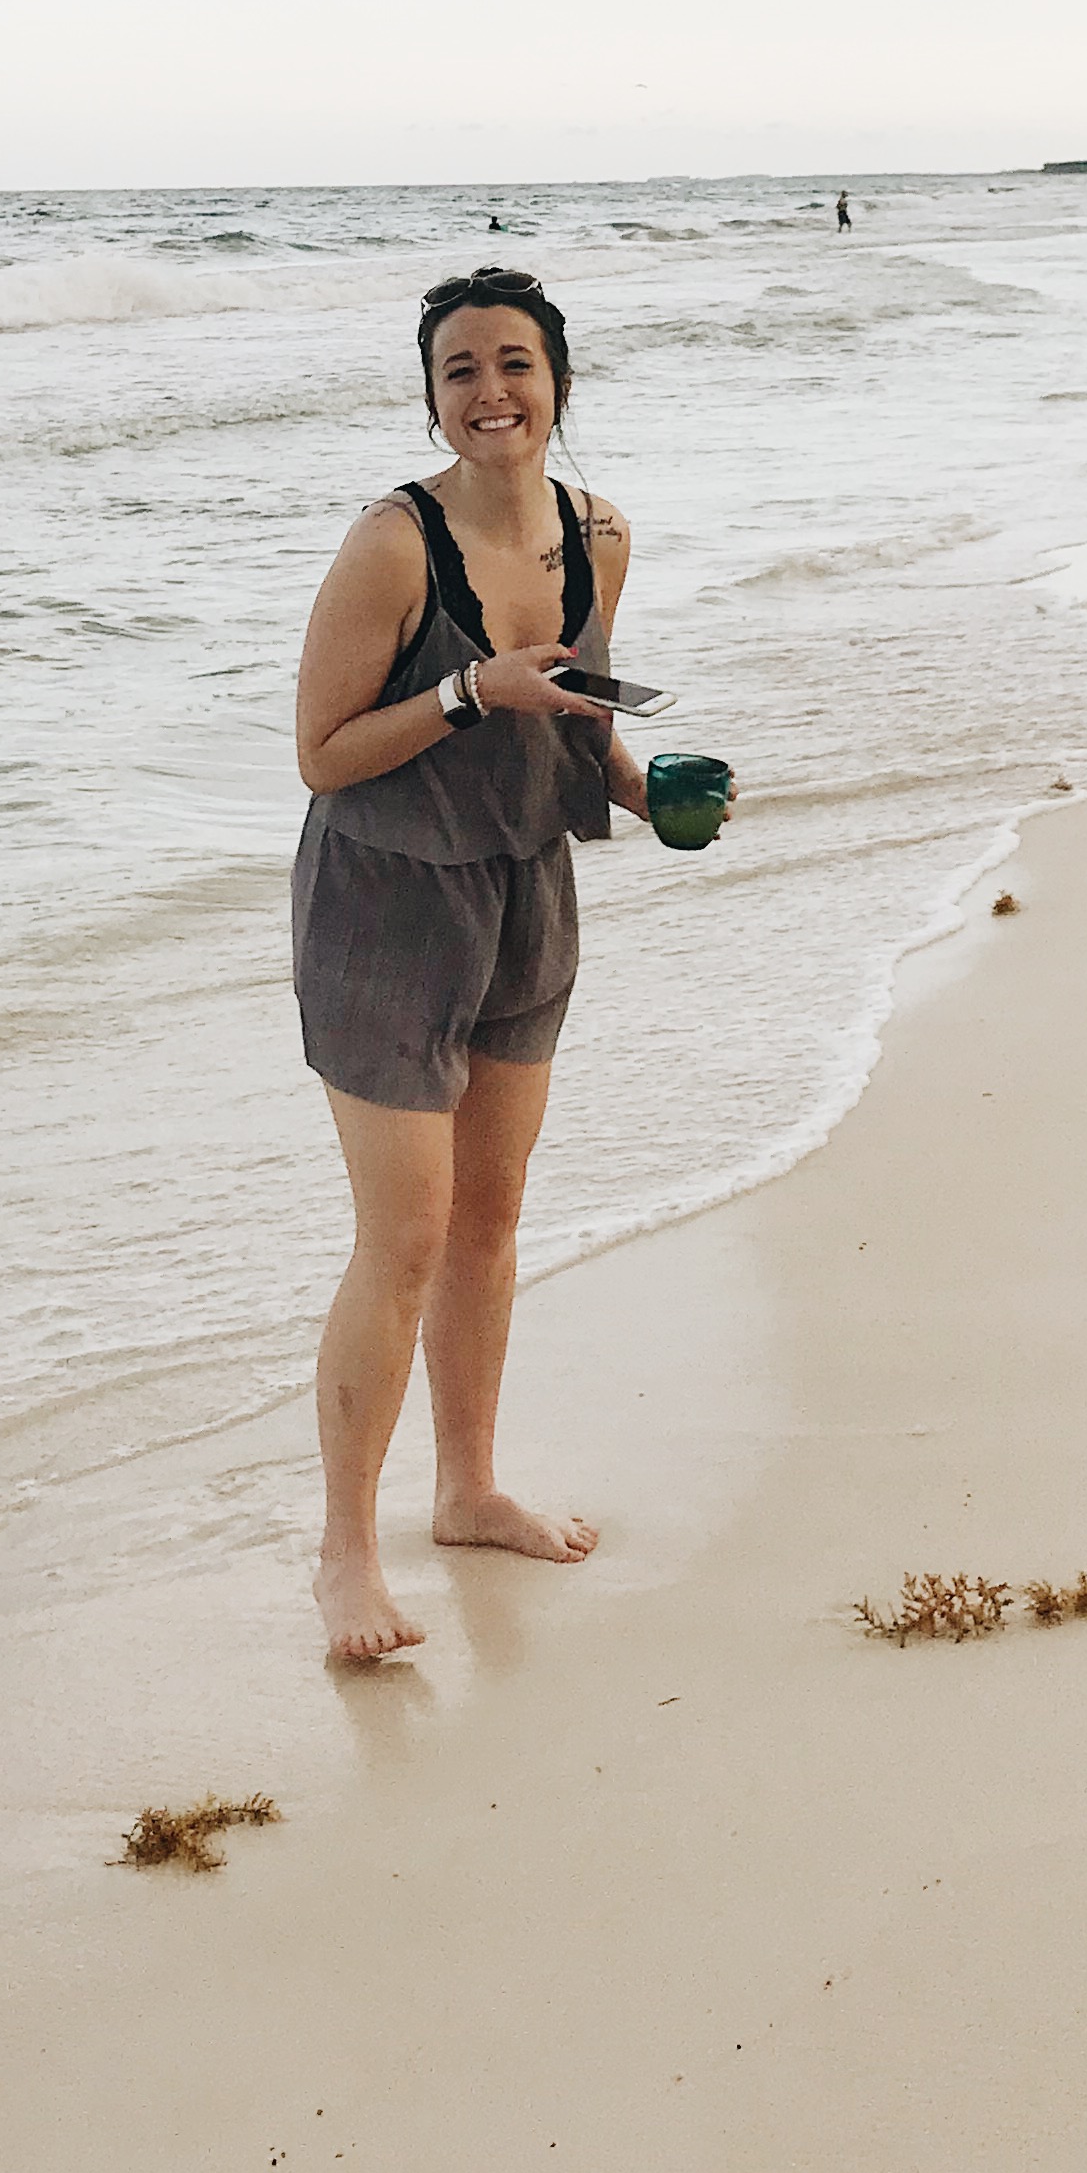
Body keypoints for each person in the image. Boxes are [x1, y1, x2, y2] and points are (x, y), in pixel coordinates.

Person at [290, 266, 644, 1664]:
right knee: (407, 1237)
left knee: (490, 1221)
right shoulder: (392, 548)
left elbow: (579, 701)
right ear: (430, 396)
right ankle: (342, 1559)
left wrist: (637, 783)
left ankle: (470, 1488)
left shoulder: (598, 531)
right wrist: (462, 692)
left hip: (525, 889)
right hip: (382, 906)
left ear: (559, 378)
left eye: (513, 362)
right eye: (458, 370)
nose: (489, 391)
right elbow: (321, 756)